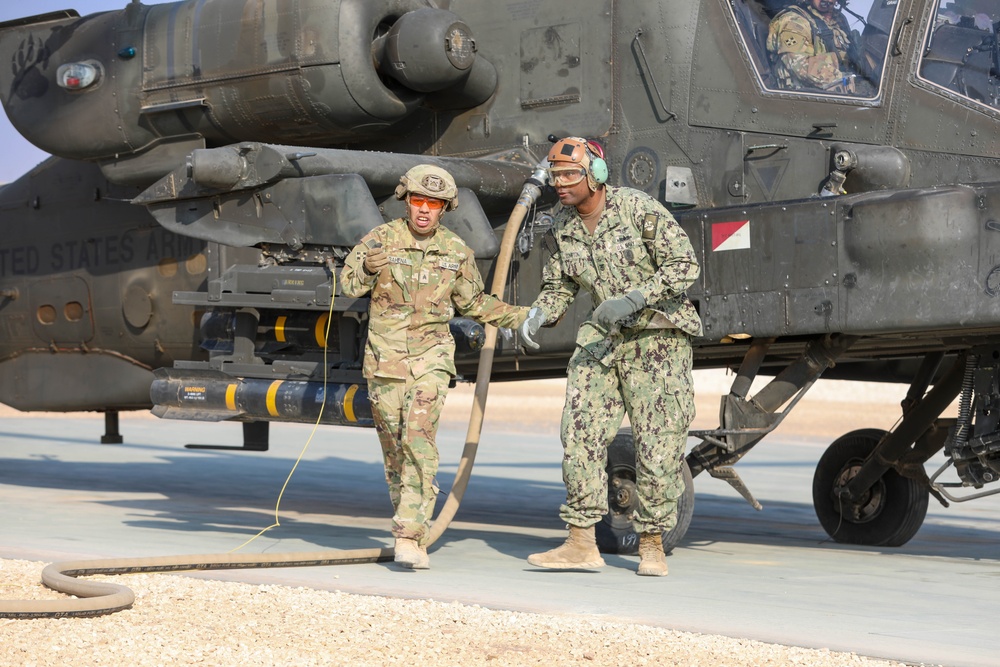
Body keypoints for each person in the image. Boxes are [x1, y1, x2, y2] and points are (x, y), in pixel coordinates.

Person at [519, 137, 702, 577]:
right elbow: (561, 284)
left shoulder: (637, 208)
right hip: (603, 340)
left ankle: (653, 543)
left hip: (656, 339)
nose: (559, 184)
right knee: (578, 433)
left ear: (595, 175)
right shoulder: (561, 225)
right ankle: (581, 541)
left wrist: (637, 297)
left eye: (569, 175)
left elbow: (684, 265)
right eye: (555, 175)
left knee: (658, 444)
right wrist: (541, 312)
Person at [341, 164, 532, 570]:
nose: (424, 210)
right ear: (406, 201)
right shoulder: (380, 240)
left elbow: (475, 303)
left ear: (444, 208)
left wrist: (522, 317)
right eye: (418, 201)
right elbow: (348, 285)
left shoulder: (456, 251)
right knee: (394, 450)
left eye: (434, 203)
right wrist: (367, 269)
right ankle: (409, 520)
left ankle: (409, 535)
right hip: (385, 362)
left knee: (418, 440)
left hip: (430, 361)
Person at [766, 0, 858, 93]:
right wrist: (844, 80)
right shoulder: (794, 20)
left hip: (833, 90)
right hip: (803, 95)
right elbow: (799, 64)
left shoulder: (839, 20)